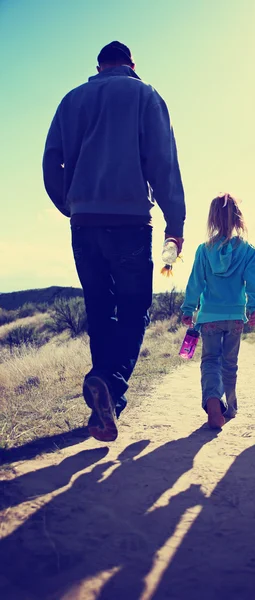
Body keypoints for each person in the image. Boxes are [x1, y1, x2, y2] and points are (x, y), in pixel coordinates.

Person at [43, 41, 185, 442]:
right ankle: (107, 382)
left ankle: (105, 408)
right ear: (132, 64)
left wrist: (70, 204)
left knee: (100, 310)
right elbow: (163, 163)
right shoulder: (145, 95)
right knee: (136, 309)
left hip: (84, 222)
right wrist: (176, 223)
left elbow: (51, 159)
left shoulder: (71, 100)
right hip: (130, 222)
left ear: (99, 66)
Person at [181, 194, 255, 428]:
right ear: (238, 219)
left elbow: (195, 282)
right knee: (230, 363)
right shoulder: (247, 251)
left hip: (209, 318)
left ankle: (213, 402)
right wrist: (254, 307)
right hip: (235, 317)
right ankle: (232, 405)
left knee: (210, 361)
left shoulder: (203, 250)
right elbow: (253, 284)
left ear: (213, 219)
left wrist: (189, 308)